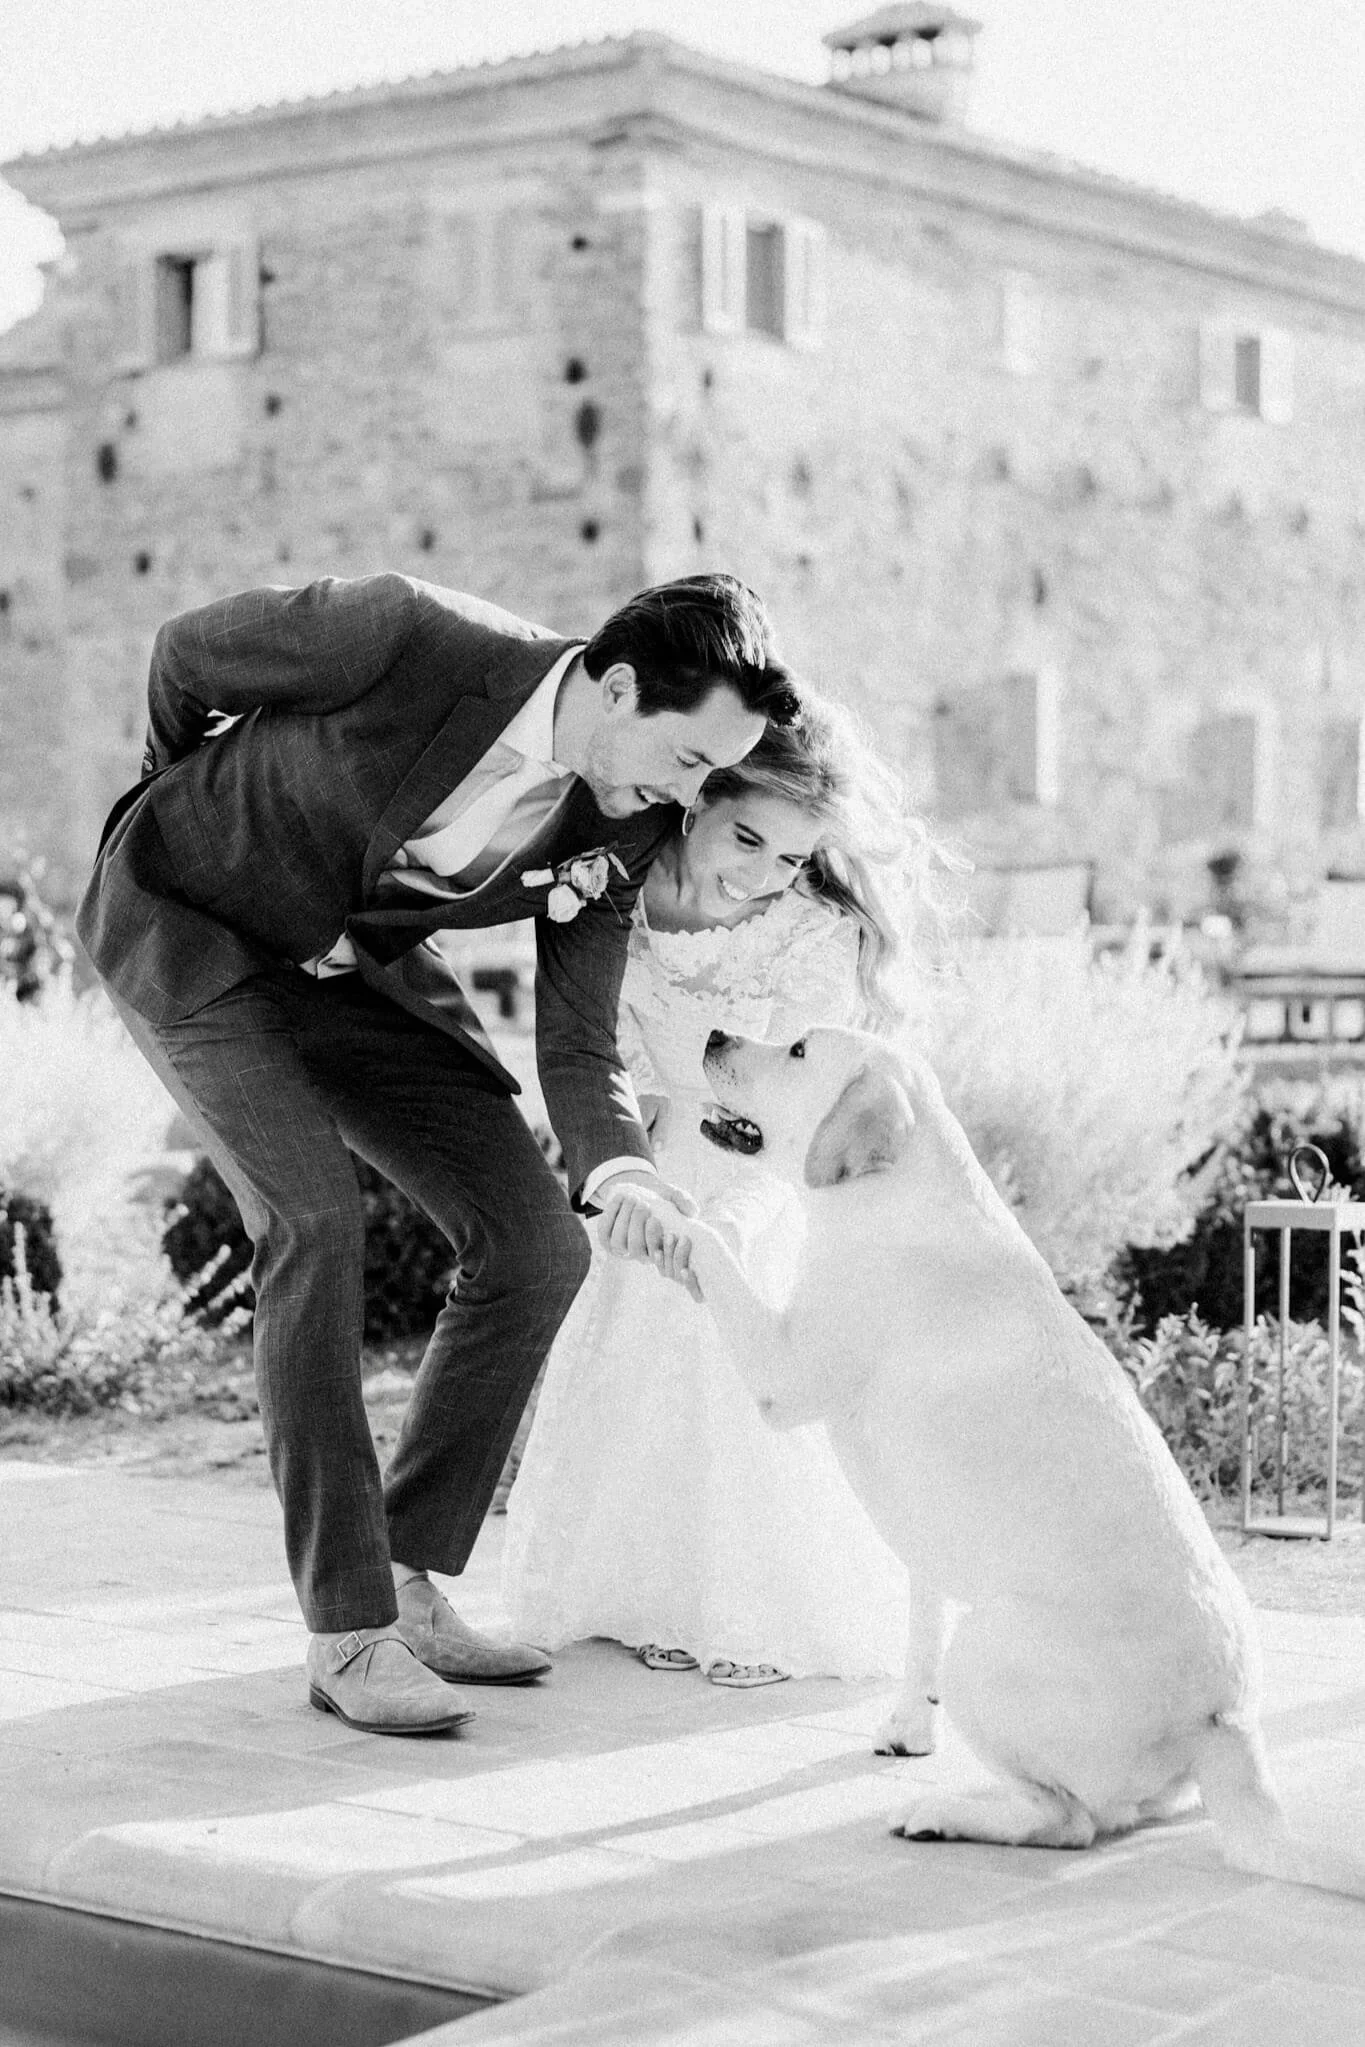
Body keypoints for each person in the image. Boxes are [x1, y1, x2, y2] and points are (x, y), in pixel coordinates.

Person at [77, 569, 800, 1735]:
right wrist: (194, 812)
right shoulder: (405, 635)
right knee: (313, 1220)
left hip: (351, 977)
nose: (693, 795)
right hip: (191, 930)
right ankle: (349, 1628)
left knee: (531, 1242)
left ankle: (409, 1584)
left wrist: (620, 1173)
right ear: (617, 688)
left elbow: (578, 1038)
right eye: (690, 760)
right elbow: (183, 657)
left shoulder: (622, 818)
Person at [503, 701, 933, 1686]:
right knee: (643, 1366)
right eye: (748, 838)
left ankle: (751, 1609)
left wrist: (731, 1216)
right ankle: (654, 1593)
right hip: (652, 1166)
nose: (764, 872)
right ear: (696, 794)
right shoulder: (617, 899)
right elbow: (596, 1059)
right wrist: (631, 1183)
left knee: (738, 1375)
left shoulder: (810, 936)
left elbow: (793, 1110)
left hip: (762, 1180)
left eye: (791, 856)